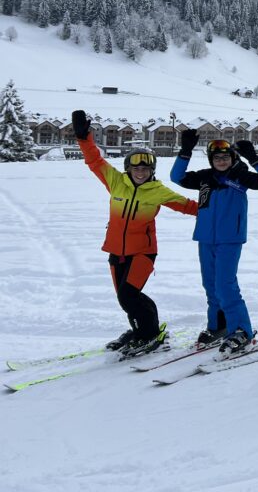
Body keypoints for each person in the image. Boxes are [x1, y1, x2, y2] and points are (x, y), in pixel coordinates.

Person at [70, 110, 198, 356]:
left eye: (146, 168)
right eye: (136, 167)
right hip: (116, 251)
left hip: (143, 252)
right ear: (128, 168)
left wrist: (216, 204)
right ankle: (144, 329)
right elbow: (94, 161)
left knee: (129, 296)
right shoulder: (116, 181)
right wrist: (83, 138)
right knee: (127, 297)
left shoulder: (158, 191)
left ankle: (148, 335)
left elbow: (189, 207)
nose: (140, 171)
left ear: (152, 171)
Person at [170, 133, 258, 354]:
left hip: (230, 239)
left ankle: (241, 330)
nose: (221, 161)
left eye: (225, 157)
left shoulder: (241, 176)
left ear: (232, 158)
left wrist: (254, 158)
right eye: (216, 158)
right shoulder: (204, 177)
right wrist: (185, 151)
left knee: (225, 285)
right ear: (211, 160)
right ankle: (219, 326)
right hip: (205, 238)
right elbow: (176, 177)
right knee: (210, 285)